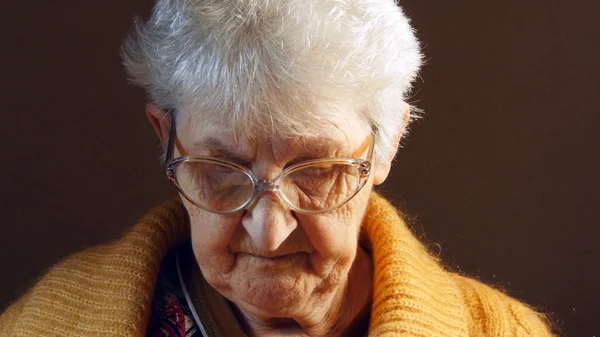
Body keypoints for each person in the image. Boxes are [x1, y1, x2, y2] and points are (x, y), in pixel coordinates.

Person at [0, 0, 555, 336]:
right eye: (221, 167)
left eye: (315, 170)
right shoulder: (42, 323)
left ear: (385, 146)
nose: (268, 231)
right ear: (165, 139)